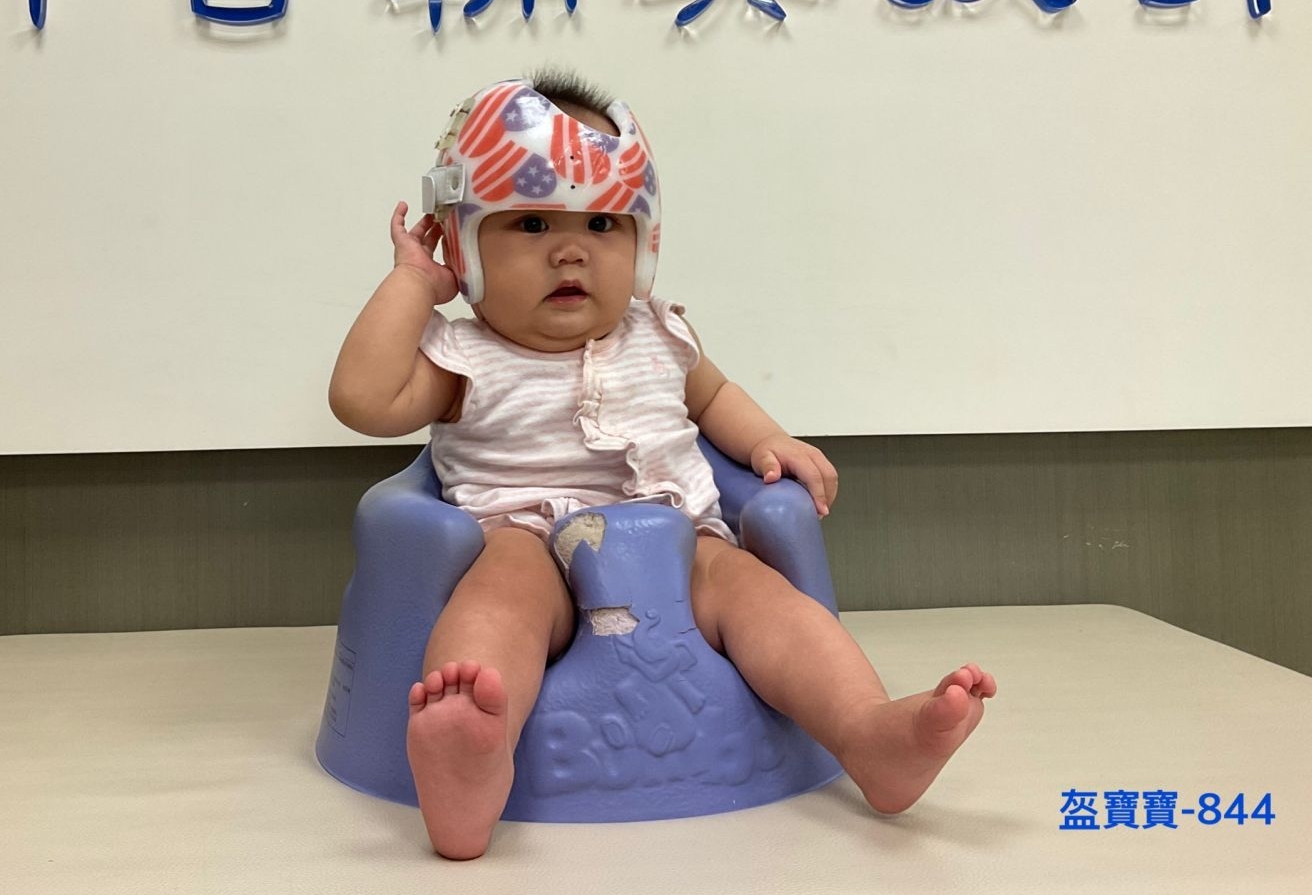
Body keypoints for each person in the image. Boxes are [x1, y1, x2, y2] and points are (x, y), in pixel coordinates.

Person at [328, 71, 998, 860]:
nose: (571, 249)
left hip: (683, 540)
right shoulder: (462, 358)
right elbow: (362, 399)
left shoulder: (660, 333)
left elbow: (716, 399)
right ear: (465, 243)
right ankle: (474, 752)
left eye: (603, 223)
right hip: (522, 537)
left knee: (766, 602)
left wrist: (768, 442)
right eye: (532, 223)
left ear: (642, 242)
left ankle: (868, 733)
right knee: (496, 607)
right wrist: (415, 281)